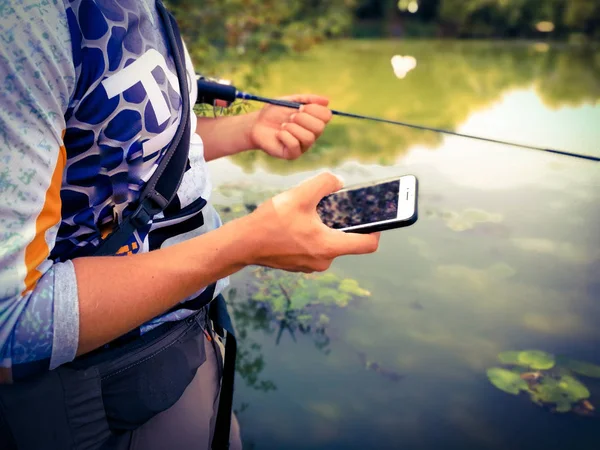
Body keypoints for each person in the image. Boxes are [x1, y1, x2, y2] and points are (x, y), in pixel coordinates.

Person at [0, 1, 380, 449]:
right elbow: (9, 327)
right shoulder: (26, 26)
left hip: (188, 348)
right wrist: (242, 246)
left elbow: (133, 153)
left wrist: (250, 129)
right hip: (105, 394)